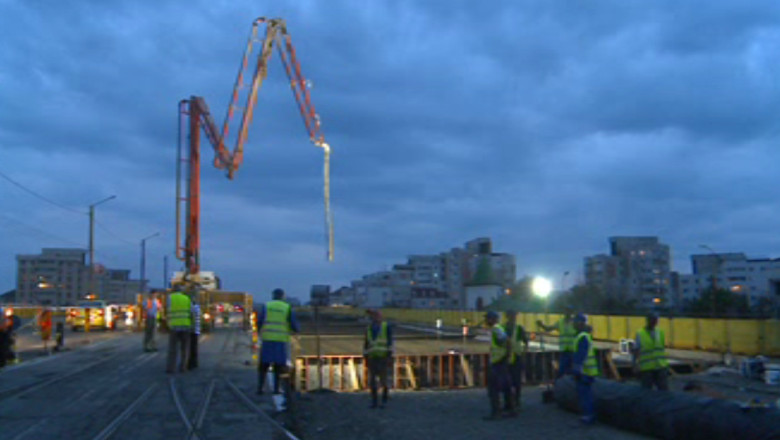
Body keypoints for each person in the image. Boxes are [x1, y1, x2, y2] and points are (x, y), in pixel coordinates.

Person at [257, 288, 300, 395]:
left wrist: (259, 332)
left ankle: (260, 389)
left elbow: (260, 321)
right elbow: (293, 324)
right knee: (278, 366)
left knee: (264, 365)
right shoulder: (287, 307)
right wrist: (296, 331)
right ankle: (276, 389)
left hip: (267, 339)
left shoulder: (267, 306)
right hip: (281, 341)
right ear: (283, 296)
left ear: (273, 296)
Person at [484, 311, 515, 421]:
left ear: (493, 319)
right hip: (501, 361)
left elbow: (507, 341)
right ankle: (510, 409)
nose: (486, 320)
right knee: (506, 386)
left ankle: (496, 412)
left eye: (488, 318)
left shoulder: (496, 329)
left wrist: (505, 356)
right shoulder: (498, 329)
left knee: (493, 388)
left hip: (498, 362)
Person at [571, 313, 598, 425]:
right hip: (588, 371)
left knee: (585, 395)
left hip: (585, 372)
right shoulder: (584, 336)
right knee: (586, 394)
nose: (573, 324)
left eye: (575, 322)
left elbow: (580, 356)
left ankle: (588, 416)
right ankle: (588, 415)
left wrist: (576, 370)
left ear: (580, 323)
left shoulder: (582, 337)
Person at [363, 309, 393, 409]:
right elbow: (366, 344)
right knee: (372, 381)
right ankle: (375, 401)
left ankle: (383, 399)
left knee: (383, 380)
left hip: (383, 357)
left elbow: (390, 343)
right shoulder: (369, 329)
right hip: (373, 358)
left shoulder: (386, 327)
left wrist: (389, 356)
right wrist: (366, 356)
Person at [537, 306, 577, 378]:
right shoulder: (560, 322)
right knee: (562, 371)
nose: (567, 313)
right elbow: (549, 329)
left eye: (569, 312)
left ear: (572, 313)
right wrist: (542, 325)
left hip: (573, 351)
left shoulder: (575, 323)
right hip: (564, 351)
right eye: (566, 311)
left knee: (573, 372)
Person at [633, 312, 669, 391]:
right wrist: (636, 364)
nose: (654, 322)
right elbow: (636, 350)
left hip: (660, 366)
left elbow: (661, 349)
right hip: (647, 368)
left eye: (656, 320)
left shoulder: (660, 332)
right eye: (652, 320)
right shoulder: (640, 333)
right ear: (648, 320)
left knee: (663, 390)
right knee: (646, 391)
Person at [505, 310, 529, 410]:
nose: (513, 318)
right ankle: (509, 402)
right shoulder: (503, 328)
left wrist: (523, 353)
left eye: (514, 316)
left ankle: (516, 401)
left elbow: (526, 342)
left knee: (516, 381)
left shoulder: (519, 329)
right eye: (511, 316)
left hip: (516, 357)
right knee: (506, 381)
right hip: (506, 357)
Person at [166, 288, 193, 373]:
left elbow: (167, 310)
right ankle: (183, 367)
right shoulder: (186, 298)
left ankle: (171, 368)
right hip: (185, 325)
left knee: (173, 349)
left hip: (174, 326)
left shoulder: (170, 298)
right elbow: (191, 311)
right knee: (184, 348)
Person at [188, 298, 201, 370]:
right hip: (196, 330)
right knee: (194, 347)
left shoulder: (193, 308)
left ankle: (191, 363)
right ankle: (195, 362)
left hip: (192, 330)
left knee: (191, 347)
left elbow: (191, 317)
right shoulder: (197, 308)